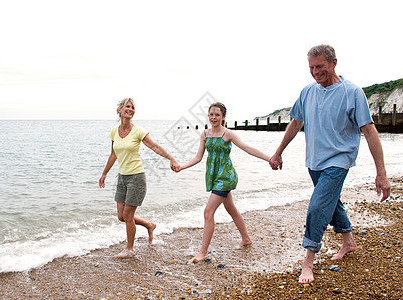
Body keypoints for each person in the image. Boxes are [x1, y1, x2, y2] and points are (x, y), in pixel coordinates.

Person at [269, 45, 391, 283]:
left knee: (317, 207)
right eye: (311, 67)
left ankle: (308, 262)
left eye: (320, 66)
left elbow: (369, 131)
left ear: (334, 63)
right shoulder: (307, 92)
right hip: (314, 161)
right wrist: (278, 153)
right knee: (331, 201)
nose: (315, 72)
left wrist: (381, 174)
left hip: (339, 159)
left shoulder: (352, 92)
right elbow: (295, 124)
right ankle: (348, 242)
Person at [173, 102, 271, 262]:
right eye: (211, 114)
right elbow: (198, 157)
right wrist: (181, 167)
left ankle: (203, 252)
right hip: (214, 176)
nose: (213, 117)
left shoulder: (228, 134)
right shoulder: (205, 134)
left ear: (223, 117)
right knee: (231, 209)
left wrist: (270, 158)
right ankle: (246, 239)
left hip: (225, 176)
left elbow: (247, 148)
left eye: (217, 114)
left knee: (208, 212)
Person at [99, 98, 178, 258]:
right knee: (121, 216)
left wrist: (171, 158)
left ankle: (129, 248)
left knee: (128, 215)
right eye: (127, 106)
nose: (130, 109)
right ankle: (149, 225)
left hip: (136, 177)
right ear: (119, 110)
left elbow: (155, 146)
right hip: (122, 178)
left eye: (132, 107)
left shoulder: (139, 131)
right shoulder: (115, 131)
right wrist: (104, 173)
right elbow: (113, 154)